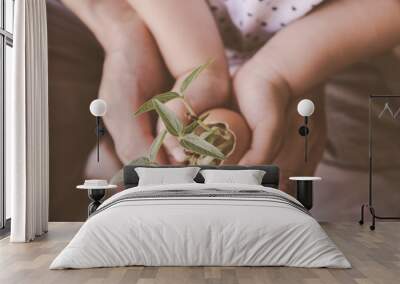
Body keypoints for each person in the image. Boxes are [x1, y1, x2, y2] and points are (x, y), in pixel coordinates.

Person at [60, 0, 400, 195]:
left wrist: (283, 68)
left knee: (345, 185)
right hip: (166, 20)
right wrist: (193, 58)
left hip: (335, 30)